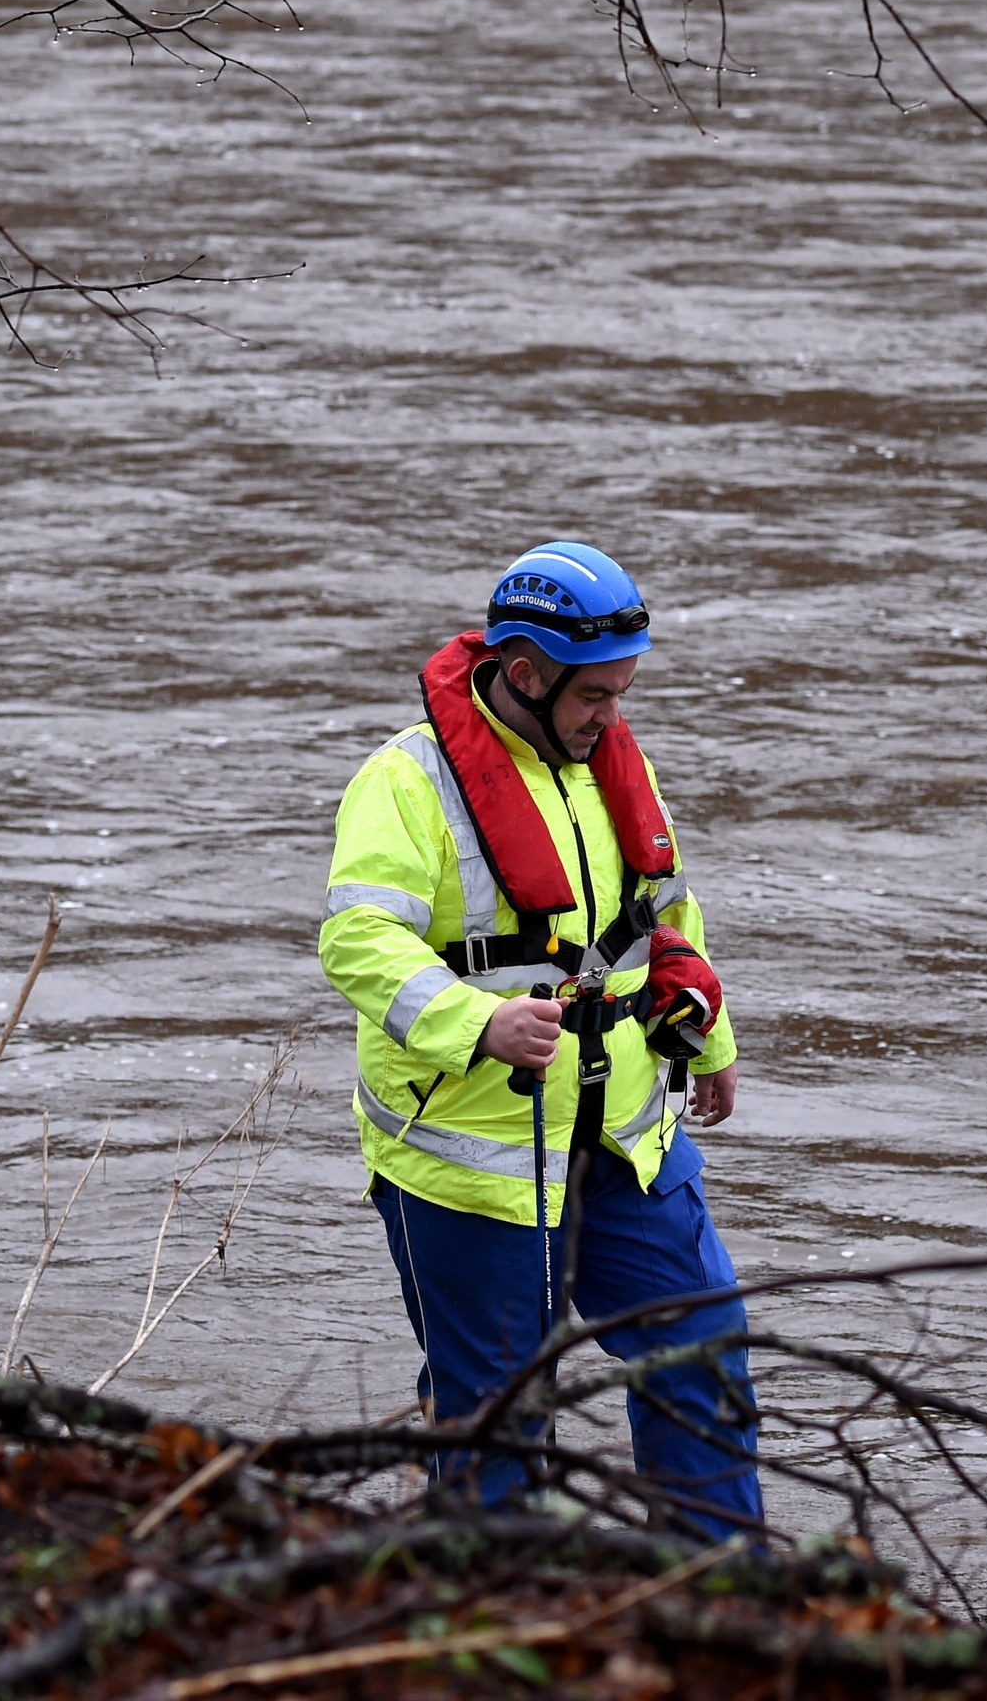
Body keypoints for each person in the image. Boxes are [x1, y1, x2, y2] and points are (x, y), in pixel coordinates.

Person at [318, 541, 761, 1534]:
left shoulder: (614, 759)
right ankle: (496, 1621)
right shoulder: (404, 782)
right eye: (594, 695)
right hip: (474, 1163)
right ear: (524, 673)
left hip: (621, 1141)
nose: (614, 713)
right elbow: (356, 941)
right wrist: (476, 1021)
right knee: (497, 1416)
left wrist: (712, 1037)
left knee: (700, 1348)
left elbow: (665, 912)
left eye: (623, 689)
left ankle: (724, 1597)